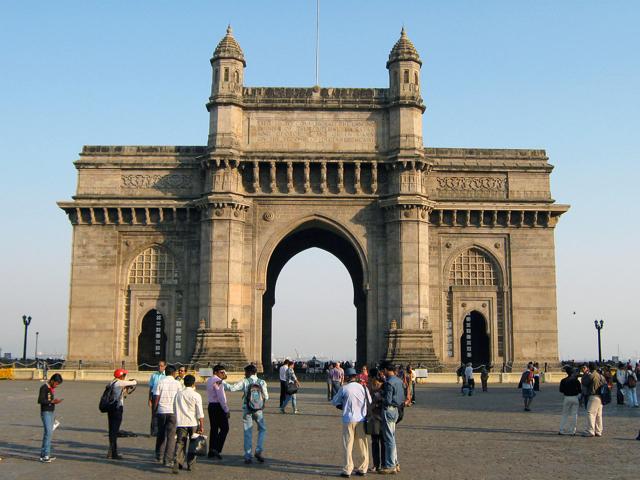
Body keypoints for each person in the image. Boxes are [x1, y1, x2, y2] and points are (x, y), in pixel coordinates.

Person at [224, 364, 269, 464]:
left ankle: (248, 456)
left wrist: (222, 382)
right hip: (258, 410)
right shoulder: (262, 382)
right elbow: (266, 396)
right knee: (262, 429)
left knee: (247, 432)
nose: (245, 374)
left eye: (245, 372)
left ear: (249, 372)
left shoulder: (245, 381)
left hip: (247, 409)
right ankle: (258, 450)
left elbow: (232, 388)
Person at [331, 367, 370, 478]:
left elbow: (334, 401)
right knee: (362, 445)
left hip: (348, 419)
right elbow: (369, 401)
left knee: (348, 445)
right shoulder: (363, 388)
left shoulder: (344, 388)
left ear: (347, 377)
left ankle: (348, 468)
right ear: (356, 376)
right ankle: (363, 468)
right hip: (361, 419)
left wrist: (342, 403)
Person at [172, 374, 205, 474]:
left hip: (181, 422)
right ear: (193, 383)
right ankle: (190, 464)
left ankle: (177, 461)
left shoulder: (178, 394)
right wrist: (201, 426)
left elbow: (174, 409)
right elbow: (200, 412)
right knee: (193, 444)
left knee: (180, 443)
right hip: (193, 422)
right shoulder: (196, 395)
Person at [379, 361, 404, 474]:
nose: (382, 373)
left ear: (385, 370)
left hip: (388, 410)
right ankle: (395, 462)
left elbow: (388, 400)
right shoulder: (399, 381)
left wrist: (380, 397)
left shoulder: (389, 382)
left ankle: (390, 465)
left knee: (388, 439)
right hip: (396, 410)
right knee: (392, 438)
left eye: (382, 370)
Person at [107, 368, 137, 459]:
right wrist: (130, 381)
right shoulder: (119, 383)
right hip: (117, 408)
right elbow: (134, 382)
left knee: (112, 430)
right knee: (115, 431)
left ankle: (111, 451)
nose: (125, 377)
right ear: (121, 376)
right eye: (124, 375)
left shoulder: (112, 382)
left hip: (110, 408)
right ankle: (113, 453)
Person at [154, 365, 181, 465]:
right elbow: (180, 398)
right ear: (174, 373)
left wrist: (154, 411)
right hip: (173, 412)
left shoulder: (160, 382)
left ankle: (159, 456)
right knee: (171, 436)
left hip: (161, 411)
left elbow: (156, 397)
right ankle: (168, 459)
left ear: (165, 372)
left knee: (160, 434)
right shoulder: (178, 384)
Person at [37, 373, 63, 463]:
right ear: (52, 380)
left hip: (51, 412)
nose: (56, 385)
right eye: (56, 383)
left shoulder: (50, 388)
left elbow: (48, 400)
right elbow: (40, 400)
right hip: (45, 413)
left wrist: (54, 402)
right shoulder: (44, 387)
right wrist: (52, 401)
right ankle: (46, 455)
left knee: (48, 433)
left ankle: (44, 454)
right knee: (48, 433)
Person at [206, 364, 230, 459]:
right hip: (218, 406)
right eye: (221, 372)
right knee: (225, 428)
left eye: (224, 372)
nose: (223, 374)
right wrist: (226, 409)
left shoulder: (209, 380)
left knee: (214, 429)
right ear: (215, 372)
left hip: (211, 406)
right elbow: (221, 397)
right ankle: (216, 448)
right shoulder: (218, 381)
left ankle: (211, 450)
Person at [368, 368, 386, 473]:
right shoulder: (370, 386)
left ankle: (379, 464)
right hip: (376, 416)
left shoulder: (381, 385)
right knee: (378, 441)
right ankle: (379, 464)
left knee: (378, 441)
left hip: (377, 416)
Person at [581, 362, 606, 437]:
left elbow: (584, 382)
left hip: (593, 396)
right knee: (598, 415)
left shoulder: (591, 375)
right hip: (601, 397)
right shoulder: (601, 376)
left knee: (590, 413)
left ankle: (590, 430)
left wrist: (585, 374)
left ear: (589, 368)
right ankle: (598, 431)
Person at [558, 366, 581, 435]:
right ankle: (573, 431)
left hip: (567, 397)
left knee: (565, 414)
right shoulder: (576, 381)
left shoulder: (563, 380)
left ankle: (561, 430)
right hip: (575, 397)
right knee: (574, 415)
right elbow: (580, 390)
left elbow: (561, 390)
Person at [148, 360, 166, 436]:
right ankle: (153, 432)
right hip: (154, 396)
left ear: (165, 367)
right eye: (158, 365)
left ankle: (162, 431)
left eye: (161, 366)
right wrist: (149, 399)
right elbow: (151, 387)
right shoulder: (154, 375)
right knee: (154, 414)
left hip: (163, 396)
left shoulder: (166, 376)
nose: (160, 367)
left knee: (163, 414)